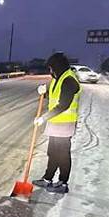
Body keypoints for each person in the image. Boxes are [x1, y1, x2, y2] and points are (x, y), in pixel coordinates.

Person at [32, 52, 81, 194]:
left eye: (51, 68)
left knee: (63, 155)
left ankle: (63, 183)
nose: (50, 71)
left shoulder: (69, 80)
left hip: (65, 124)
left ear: (56, 67)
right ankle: (47, 178)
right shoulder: (59, 78)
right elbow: (56, 97)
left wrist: (44, 117)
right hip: (56, 122)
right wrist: (45, 93)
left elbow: (63, 104)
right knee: (52, 153)